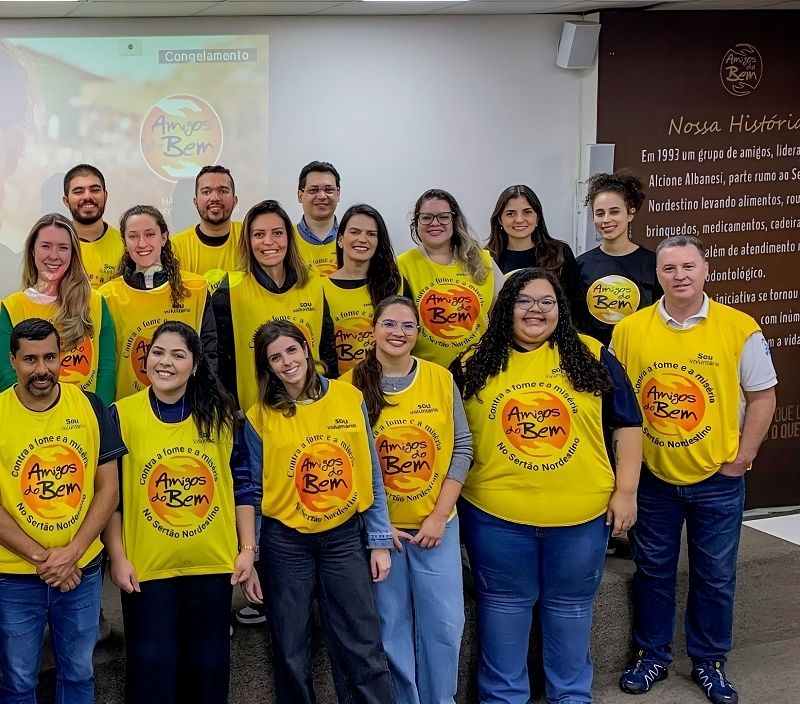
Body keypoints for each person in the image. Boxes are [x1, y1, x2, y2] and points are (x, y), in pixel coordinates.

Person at [452, 267, 643, 704]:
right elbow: (450, 437)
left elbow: (628, 424)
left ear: (561, 309)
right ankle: (503, 699)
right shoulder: (471, 361)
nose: (535, 310)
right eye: (524, 300)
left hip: (581, 517)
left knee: (572, 612)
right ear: (505, 307)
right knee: (502, 610)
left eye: (547, 301)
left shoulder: (592, 354)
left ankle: (571, 698)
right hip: (496, 519)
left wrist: (626, 491)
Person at [612, 235, 777, 704]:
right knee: (653, 572)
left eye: (688, 266)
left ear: (705, 271)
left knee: (715, 576)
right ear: (656, 275)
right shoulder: (629, 330)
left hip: (717, 480)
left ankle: (709, 662)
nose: (679, 276)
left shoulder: (739, 327)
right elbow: (621, 406)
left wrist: (742, 458)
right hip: (652, 479)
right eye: (669, 269)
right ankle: (652, 658)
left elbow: (763, 396)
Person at [241, 320, 395, 704]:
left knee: (363, 644)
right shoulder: (259, 416)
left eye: (292, 350)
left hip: (344, 537)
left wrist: (378, 540)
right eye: (275, 357)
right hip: (285, 543)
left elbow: (370, 472)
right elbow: (256, 493)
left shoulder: (349, 397)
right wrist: (255, 559)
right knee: (291, 649)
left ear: (307, 349)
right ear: (267, 367)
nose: (286, 362)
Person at [103, 321, 256, 704]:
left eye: (177, 354)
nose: (165, 362)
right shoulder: (121, 415)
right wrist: (118, 558)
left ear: (195, 364)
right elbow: (112, 499)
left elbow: (242, 485)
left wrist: (248, 550)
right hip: (148, 569)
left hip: (210, 565)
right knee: (152, 675)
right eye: (157, 352)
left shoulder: (221, 413)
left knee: (207, 673)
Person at [345, 295, 472, 704]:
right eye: (389, 324)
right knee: (390, 626)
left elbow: (463, 448)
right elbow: (345, 463)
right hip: (382, 534)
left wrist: (438, 516)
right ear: (373, 329)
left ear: (418, 333)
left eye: (407, 326)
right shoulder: (348, 387)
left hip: (437, 526)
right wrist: (376, 528)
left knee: (446, 624)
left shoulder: (439, 378)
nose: (398, 333)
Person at [0, 318, 126, 703]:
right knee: (19, 680)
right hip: (16, 577)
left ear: (62, 357)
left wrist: (72, 554)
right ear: (13, 361)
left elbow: (108, 491)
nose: (42, 369)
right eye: (31, 359)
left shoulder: (89, 405)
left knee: (78, 674)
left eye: (51, 357)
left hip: (82, 572)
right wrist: (46, 560)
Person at [213, 199, 338, 413]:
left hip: (312, 409)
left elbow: (327, 351)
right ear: (248, 241)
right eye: (259, 234)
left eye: (277, 233)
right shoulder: (229, 291)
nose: (269, 242)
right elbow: (218, 362)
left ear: (289, 238)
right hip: (255, 417)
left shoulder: (313, 284)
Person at [99, 205, 214, 400]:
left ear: (164, 237)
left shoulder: (196, 290)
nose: (142, 243)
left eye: (150, 234)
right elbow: (105, 365)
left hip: (187, 408)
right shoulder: (108, 296)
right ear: (125, 243)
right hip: (129, 411)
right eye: (133, 236)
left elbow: (211, 354)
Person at [0, 213, 116, 404]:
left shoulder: (95, 303)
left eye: (63, 248)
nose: (54, 256)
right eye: (46, 246)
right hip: (32, 419)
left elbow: (107, 370)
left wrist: (96, 413)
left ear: (73, 254)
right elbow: (6, 374)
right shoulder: (11, 308)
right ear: (32, 250)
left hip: (84, 419)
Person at [398, 188, 502, 369]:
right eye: (426, 217)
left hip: (478, 369)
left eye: (444, 216)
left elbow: (505, 316)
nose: (435, 223)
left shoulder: (483, 260)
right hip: (424, 372)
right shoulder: (401, 265)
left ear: (455, 220)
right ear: (416, 222)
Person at [573, 171, 662, 346]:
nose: (606, 220)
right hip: (595, 360)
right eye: (599, 213)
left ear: (630, 213)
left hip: (640, 356)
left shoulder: (653, 263)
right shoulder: (582, 265)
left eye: (614, 212)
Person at [324, 204, 402, 373]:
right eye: (355, 232)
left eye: (371, 234)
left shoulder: (395, 285)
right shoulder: (319, 289)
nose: (362, 239)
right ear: (340, 239)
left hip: (385, 387)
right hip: (338, 389)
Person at [487, 184, 578, 291]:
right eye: (511, 214)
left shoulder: (560, 253)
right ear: (500, 220)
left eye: (527, 212)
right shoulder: (486, 259)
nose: (519, 220)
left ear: (538, 217)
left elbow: (575, 303)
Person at [171, 165, 243, 292]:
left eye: (223, 191)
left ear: (235, 200)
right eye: (206, 192)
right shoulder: (176, 247)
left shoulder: (249, 237)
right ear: (195, 201)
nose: (215, 198)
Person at [63, 164, 125, 289]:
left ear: (105, 196)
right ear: (66, 201)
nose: (87, 197)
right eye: (78, 191)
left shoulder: (126, 245)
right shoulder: (53, 247)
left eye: (95, 190)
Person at [294, 160, 341, 276]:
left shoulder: (352, 239)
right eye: (314, 190)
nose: (321, 196)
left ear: (338, 194)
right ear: (300, 196)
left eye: (328, 190)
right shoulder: (285, 239)